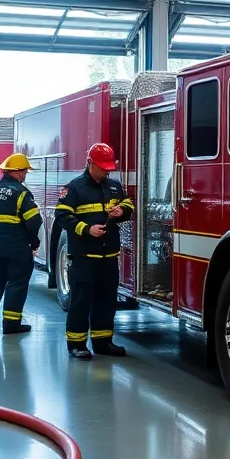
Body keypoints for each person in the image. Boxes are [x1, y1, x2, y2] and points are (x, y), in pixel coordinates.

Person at [55, 143, 135, 360]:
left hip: (109, 256)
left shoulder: (114, 186)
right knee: (81, 301)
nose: (106, 171)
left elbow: (129, 203)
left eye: (108, 167)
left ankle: (102, 342)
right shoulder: (74, 188)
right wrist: (86, 229)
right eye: (102, 167)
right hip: (84, 256)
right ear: (90, 163)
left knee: (106, 300)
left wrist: (123, 210)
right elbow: (61, 216)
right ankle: (76, 344)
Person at [0, 153, 42, 335]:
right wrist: (33, 242)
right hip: (17, 247)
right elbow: (34, 221)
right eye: (25, 171)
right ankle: (11, 324)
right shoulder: (22, 193)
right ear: (18, 172)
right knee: (17, 282)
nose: (25, 174)